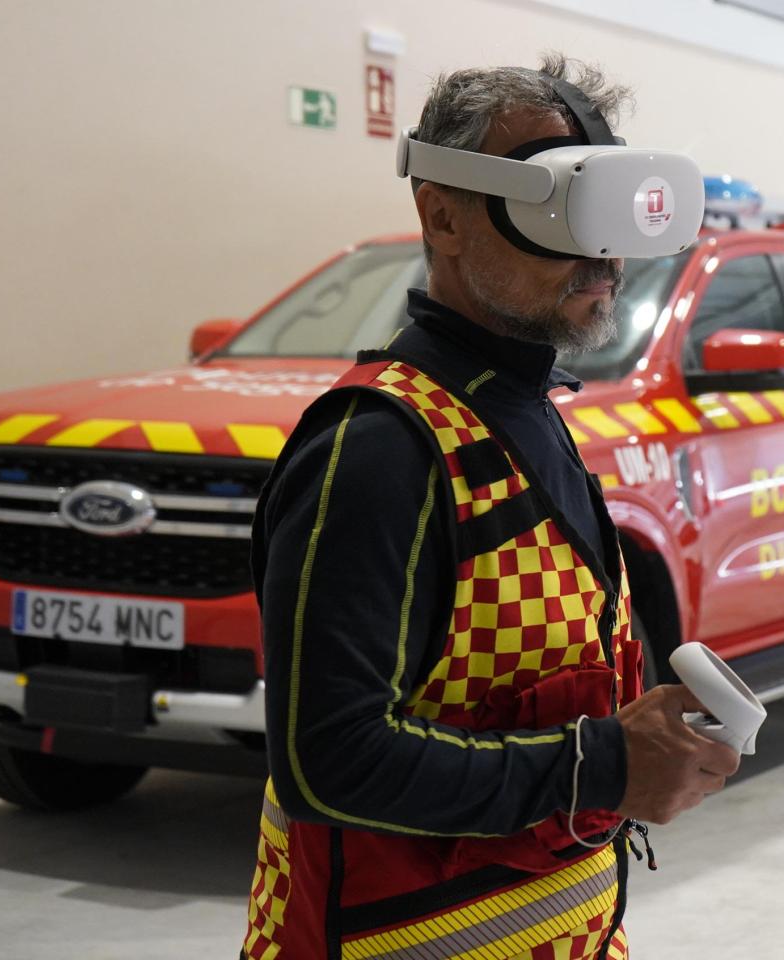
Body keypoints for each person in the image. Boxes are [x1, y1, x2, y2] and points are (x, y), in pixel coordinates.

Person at [242, 57, 739, 960]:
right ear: (443, 214)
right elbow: (326, 760)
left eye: (610, 212)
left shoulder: (523, 411)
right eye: (561, 207)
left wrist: (632, 748)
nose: (602, 255)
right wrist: (603, 765)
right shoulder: (379, 449)